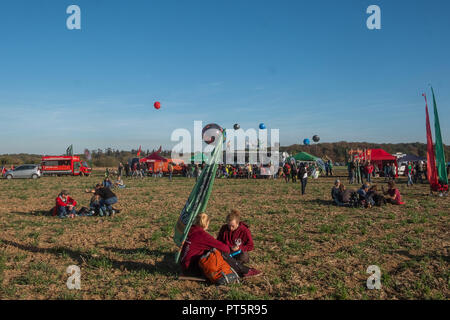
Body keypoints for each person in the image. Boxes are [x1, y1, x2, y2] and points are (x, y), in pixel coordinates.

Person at [179, 213, 261, 278]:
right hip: (191, 269)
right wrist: (228, 248)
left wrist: (239, 248)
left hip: (184, 266)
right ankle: (245, 271)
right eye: (229, 225)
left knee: (239, 255)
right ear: (206, 223)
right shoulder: (202, 235)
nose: (230, 228)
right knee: (220, 252)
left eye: (232, 226)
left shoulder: (191, 230)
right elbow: (222, 247)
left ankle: (239, 268)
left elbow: (250, 245)